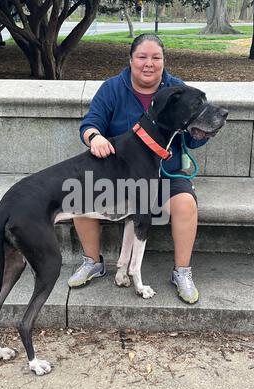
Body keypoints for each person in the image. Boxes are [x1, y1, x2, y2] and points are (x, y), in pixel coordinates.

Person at [68, 34, 209, 304]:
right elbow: (90, 123)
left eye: (156, 57)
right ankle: (93, 262)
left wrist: (201, 133)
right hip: (119, 173)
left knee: (185, 205)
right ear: (131, 60)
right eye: (142, 57)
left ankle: (182, 272)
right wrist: (95, 138)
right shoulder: (112, 89)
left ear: (163, 61)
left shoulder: (178, 89)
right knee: (79, 196)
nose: (149, 63)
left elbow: (191, 135)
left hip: (166, 173)